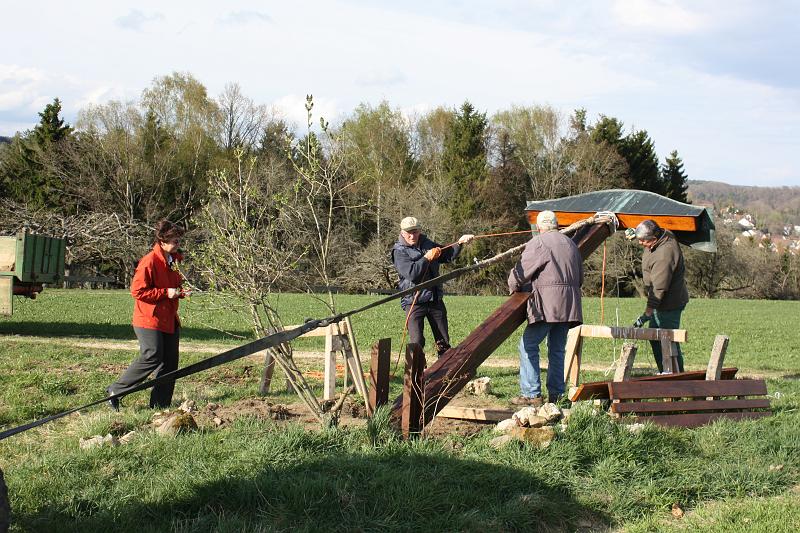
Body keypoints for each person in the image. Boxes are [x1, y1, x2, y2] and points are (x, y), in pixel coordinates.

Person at [106, 220, 188, 410]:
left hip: (169, 319)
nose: (178, 244)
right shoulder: (149, 261)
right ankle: (116, 389)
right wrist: (166, 293)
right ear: (162, 241)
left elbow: (174, 286)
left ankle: (160, 406)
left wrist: (181, 292)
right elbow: (137, 291)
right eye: (175, 241)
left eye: (179, 241)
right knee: (152, 355)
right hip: (149, 319)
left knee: (170, 364)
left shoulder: (174, 261)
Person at [508, 211, 583, 406]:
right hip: (569, 305)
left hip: (548, 305)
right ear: (556, 225)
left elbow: (521, 271)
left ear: (539, 227)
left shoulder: (539, 243)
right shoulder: (571, 244)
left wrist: (513, 286)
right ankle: (557, 394)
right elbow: (580, 278)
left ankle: (531, 394)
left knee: (528, 345)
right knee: (557, 350)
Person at [392, 216, 474, 357]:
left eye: (415, 232)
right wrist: (426, 258)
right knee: (416, 343)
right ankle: (417, 370)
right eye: (409, 233)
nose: (412, 236)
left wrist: (460, 243)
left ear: (419, 231)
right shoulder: (399, 251)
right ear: (402, 233)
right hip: (413, 302)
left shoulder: (427, 243)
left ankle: (445, 369)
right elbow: (412, 274)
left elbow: (447, 255)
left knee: (443, 342)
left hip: (435, 299)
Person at [629, 219, 689, 373]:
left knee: (667, 340)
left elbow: (659, 289)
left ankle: (675, 377)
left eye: (643, 241)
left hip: (669, 303)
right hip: (662, 302)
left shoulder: (664, 255)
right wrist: (635, 233)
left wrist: (648, 312)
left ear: (654, 239)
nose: (640, 243)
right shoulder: (662, 235)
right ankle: (666, 372)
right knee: (655, 337)